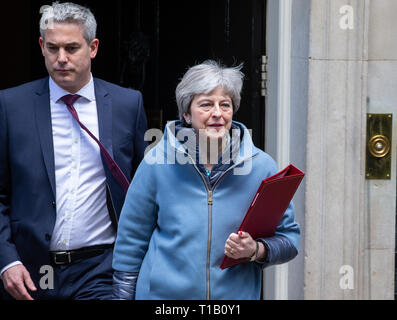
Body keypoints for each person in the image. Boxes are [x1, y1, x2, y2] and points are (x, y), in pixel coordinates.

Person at [112, 60, 300, 300]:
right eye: (206, 104)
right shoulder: (156, 163)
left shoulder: (262, 166)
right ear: (186, 114)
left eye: (225, 104)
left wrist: (256, 250)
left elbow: (289, 239)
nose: (217, 114)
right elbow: (131, 243)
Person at [0, 2, 147, 300]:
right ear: (41, 46)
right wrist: (7, 260)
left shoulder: (127, 105)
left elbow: (145, 189)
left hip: (100, 269)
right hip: (31, 271)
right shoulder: (11, 105)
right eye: (53, 48)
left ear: (92, 48)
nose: (61, 58)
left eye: (71, 48)